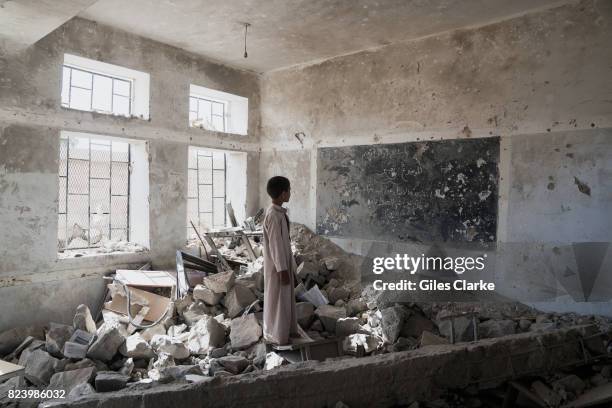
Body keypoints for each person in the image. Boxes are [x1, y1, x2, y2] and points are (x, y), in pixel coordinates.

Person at [262, 176, 298, 345]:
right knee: (278, 302)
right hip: (277, 267)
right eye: (289, 190)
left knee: (284, 299)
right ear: (283, 193)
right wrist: (282, 270)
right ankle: (278, 335)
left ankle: (287, 331)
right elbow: (276, 245)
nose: (290, 193)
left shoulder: (279, 213)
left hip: (283, 264)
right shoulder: (273, 215)